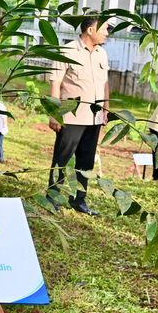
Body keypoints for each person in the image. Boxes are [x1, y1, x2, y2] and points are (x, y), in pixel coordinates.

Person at [47, 14, 111, 216]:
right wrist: (55, 114)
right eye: (105, 28)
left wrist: (106, 108)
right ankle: (52, 198)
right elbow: (55, 82)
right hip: (71, 117)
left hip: (94, 118)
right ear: (90, 30)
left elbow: (105, 84)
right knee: (62, 159)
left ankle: (79, 200)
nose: (107, 33)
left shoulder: (102, 54)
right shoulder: (67, 51)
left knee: (86, 161)